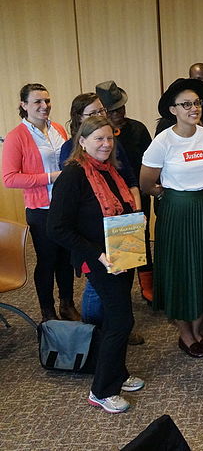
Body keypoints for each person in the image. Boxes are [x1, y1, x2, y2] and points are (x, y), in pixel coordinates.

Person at [47, 116, 145, 414]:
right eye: (98, 139)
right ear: (83, 141)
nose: (106, 144)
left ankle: (118, 372)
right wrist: (97, 255)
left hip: (123, 256)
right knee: (121, 321)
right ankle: (101, 390)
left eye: (109, 139)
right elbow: (57, 228)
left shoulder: (109, 171)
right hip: (99, 260)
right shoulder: (73, 176)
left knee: (118, 316)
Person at [140, 78, 203, 358]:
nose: (194, 108)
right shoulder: (162, 142)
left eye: (197, 103)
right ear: (173, 110)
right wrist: (166, 195)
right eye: (186, 104)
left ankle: (199, 329)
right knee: (181, 269)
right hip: (176, 212)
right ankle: (185, 334)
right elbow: (146, 183)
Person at [58, 93, 141, 342]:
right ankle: (94, 337)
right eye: (92, 114)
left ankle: (116, 332)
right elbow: (68, 215)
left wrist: (135, 217)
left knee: (121, 296)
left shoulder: (111, 153)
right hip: (93, 243)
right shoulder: (73, 164)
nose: (105, 143)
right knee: (98, 293)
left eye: (101, 111)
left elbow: (131, 182)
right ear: (82, 140)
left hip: (123, 233)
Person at [2, 83, 76, 322]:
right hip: (40, 209)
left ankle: (67, 304)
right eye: (37, 102)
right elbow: (9, 178)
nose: (45, 106)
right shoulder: (17, 136)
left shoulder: (56, 129)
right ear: (24, 105)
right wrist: (50, 178)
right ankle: (48, 312)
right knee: (47, 261)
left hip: (64, 206)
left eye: (47, 101)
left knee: (65, 259)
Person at [96, 80, 154, 303]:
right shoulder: (100, 134)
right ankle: (118, 292)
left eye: (121, 107)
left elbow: (150, 162)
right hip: (107, 196)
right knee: (113, 243)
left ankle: (147, 285)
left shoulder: (137, 128)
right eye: (112, 110)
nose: (118, 113)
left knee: (141, 237)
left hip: (137, 191)